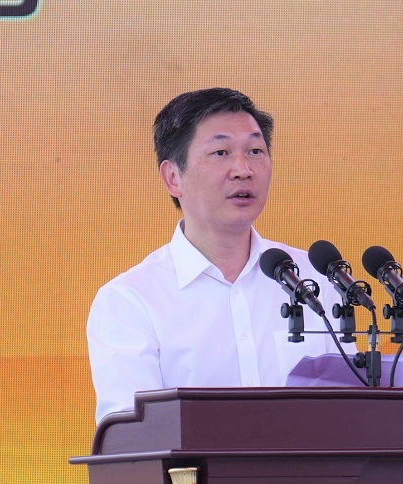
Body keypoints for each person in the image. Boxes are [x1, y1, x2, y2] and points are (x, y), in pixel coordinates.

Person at [88, 88, 351, 424]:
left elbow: (351, 413)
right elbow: (133, 438)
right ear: (173, 177)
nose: (243, 169)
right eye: (221, 152)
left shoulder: (315, 279)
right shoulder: (130, 301)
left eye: (255, 151)